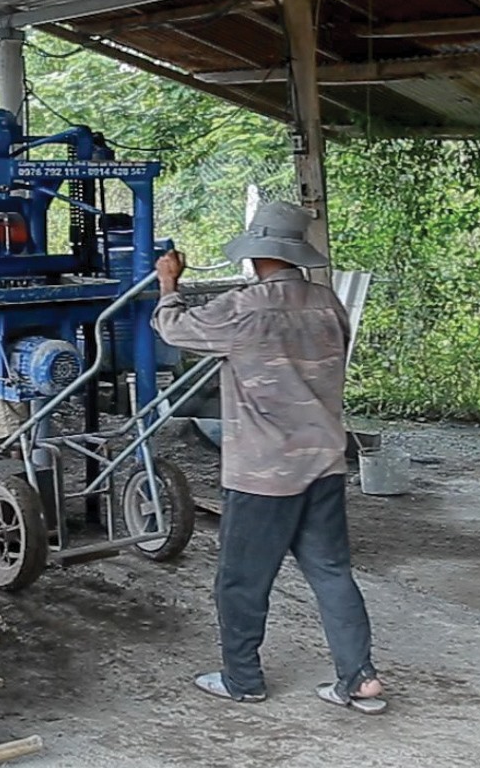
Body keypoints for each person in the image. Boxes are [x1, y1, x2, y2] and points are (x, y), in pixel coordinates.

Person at [150, 202, 386, 716]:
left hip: (263, 472)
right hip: (323, 460)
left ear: (256, 254)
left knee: (241, 580)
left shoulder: (245, 307)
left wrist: (169, 283)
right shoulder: (328, 304)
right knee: (331, 572)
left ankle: (243, 679)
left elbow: (175, 331)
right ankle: (359, 678)